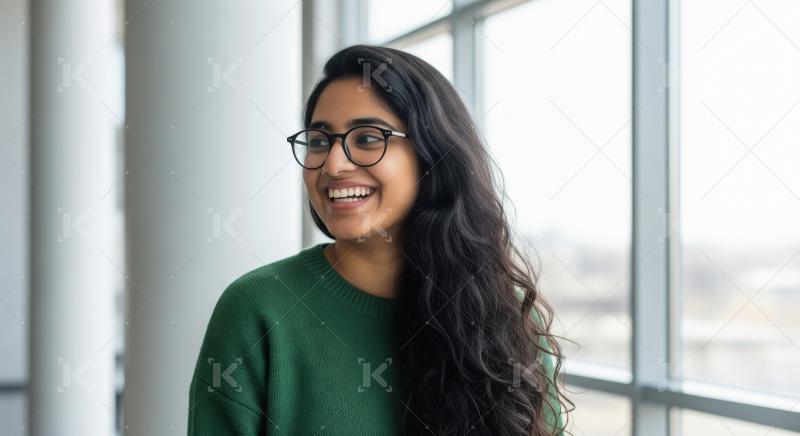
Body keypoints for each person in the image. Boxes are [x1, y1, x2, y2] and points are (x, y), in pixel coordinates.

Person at [187, 44, 571, 435]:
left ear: (431, 153)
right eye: (320, 142)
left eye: (368, 139)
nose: (334, 165)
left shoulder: (505, 314)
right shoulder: (258, 309)